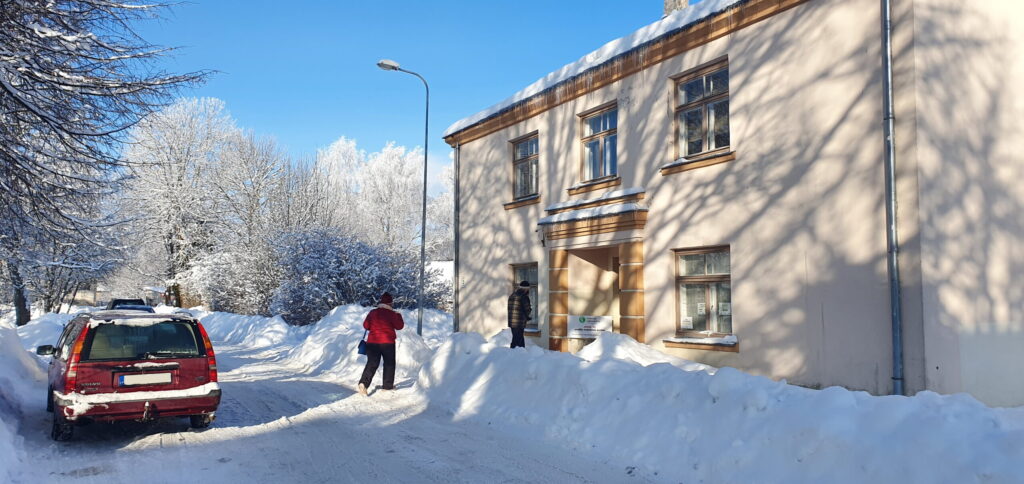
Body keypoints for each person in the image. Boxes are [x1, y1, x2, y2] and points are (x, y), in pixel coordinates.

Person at [358, 292, 405, 396]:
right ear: (390, 303)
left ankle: (363, 383)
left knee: (372, 363)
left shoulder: (372, 313)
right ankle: (387, 387)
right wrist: (399, 316)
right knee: (389, 364)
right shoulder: (393, 314)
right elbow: (399, 326)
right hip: (387, 342)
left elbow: (366, 325)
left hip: (372, 342)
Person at [507, 280, 532, 348]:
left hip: (512, 322)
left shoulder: (512, 295)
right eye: (528, 289)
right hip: (519, 322)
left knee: (515, 339)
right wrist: (528, 314)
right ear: (526, 289)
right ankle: (520, 355)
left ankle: (512, 354)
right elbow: (527, 309)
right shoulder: (524, 296)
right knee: (519, 341)